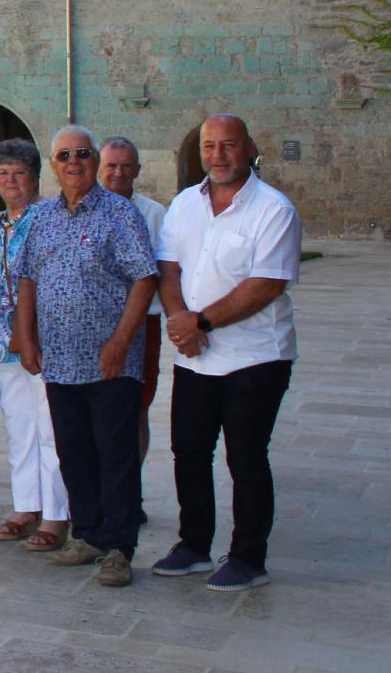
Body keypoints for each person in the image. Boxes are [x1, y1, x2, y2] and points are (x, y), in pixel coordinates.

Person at [153, 114, 302, 592]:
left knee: (246, 458)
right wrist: (183, 325)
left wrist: (199, 322)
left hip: (256, 357)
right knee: (189, 451)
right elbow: (169, 269)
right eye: (209, 146)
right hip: (196, 356)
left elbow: (265, 285)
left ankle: (247, 557)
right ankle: (194, 545)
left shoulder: (273, 210)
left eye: (228, 145)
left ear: (250, 147)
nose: (217, 155)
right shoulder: (183, 205)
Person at [16, 125, 158, 588]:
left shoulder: (120, 213)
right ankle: (89, 534)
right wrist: (26, 337)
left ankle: (119, 547)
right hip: (59, 358)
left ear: (95, 160)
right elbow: (28, 280)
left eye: (81, 153)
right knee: (73, 452)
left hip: (108, 360)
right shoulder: (39, 218)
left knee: (115, 452)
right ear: (53, 165)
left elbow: (143, 278)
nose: (73, 161)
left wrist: (120, 342)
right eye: (63, 155)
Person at [0, 138, 70, 551]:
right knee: (18, 426)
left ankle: (56, 513)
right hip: (1, 343)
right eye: (3, 173)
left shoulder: (50, 219)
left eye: (19, 173)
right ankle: (25, 505)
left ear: (35, 178)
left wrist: (31, 331)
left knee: (51, 428)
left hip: (43, 341)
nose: (10, 181)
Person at [100, 136, 169, 489]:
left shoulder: (154, 214)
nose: (118, 173)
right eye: (111, 165)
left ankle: (130, 489)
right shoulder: (83, 208)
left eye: (126, 166)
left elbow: (162, 271)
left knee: (136, 407)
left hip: (143, 324)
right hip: (95, 323)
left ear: (138, 170)